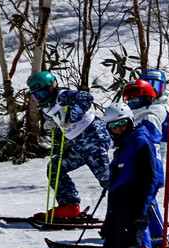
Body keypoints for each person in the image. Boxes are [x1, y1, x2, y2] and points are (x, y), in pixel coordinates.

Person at [98, 104, 163, 248]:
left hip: (133, 209)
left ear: (129, 121)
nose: (117, 129)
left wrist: (139, 208)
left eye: (121, 124)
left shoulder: (140, 142)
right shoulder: (123, 146)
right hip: (118, 209)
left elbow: (150, 178)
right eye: (113, 126)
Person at [27, 70, 110, 221]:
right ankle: (69, 206)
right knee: (55, 168)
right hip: (77, 143)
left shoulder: (62, 96)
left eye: (43, 94)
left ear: (52, 87)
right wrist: (50, 122)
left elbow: (86, 97)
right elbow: (55, 117)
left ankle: (134, 210)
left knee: (106, 178)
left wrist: (73, 116)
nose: (41, 98)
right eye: (37, 96)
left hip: (92, 136)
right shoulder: (46, 106)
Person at [122, 78, 168, 248]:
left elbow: (151, 136)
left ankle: (144, 247)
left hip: (148, 167)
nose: (132, 101)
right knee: (148, 203)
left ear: (147, 97)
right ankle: (157, 238)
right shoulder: (133, 116)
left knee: (139, 206)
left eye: (136, 97)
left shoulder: (150, 114)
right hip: (140, 166)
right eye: (130, 97)